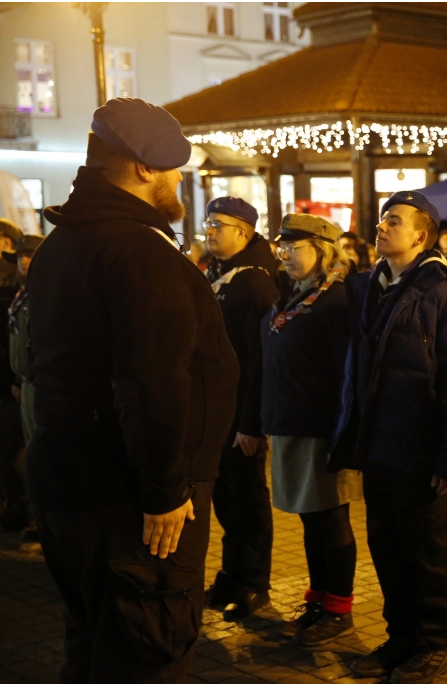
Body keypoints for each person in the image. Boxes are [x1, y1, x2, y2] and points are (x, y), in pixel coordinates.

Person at [26, 98, 239, 681]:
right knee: (147, 653)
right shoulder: (140, 250)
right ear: (145, 167)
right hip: (131, 503)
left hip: (71, 481)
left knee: (92, 645)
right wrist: (165, 490)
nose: (179, 181)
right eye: (173, 169)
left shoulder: (61, 245)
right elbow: (152, 380)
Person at [331, 191, 447, 683]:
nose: (381, 227)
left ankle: (434, 645)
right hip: (379, 447)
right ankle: (401, 639)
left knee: (428, 553)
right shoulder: (370, 288)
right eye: (382, 219)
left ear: (421, 235)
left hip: (422, 451)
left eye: (394, 221)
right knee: (387, 549)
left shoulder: (445, 296)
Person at [261, 213, 361, 646]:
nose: (284, 253)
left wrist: (341, 436)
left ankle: (339, 609)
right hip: (289, 422)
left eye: (293, 246)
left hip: (319, 429)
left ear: (321, 251)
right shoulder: (292, 296)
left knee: (330, 517)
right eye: (281, 246)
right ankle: (319, 600)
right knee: (310, 518)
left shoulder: (335, 302)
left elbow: (346, 377)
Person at [199, 197, 280, 622]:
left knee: (248, 500)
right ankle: (231, 576)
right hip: (217, 410)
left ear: (243, 232)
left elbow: (259, 359)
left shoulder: (254, 282)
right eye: (208, 223)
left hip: (240, 414)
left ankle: (254, 583)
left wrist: (251, 423)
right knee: (226, 500)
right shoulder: (219, 273)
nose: (209, 230)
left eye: (218, 224)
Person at [7, 234, 42, 541]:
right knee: (30, 450)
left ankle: (42, 519)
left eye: (29, 256)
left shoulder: (44, 292)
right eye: (20, 257)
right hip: (26, 383)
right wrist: (18, 379)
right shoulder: (22, 293)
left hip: (40, 383)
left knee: (40, 450)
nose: (24, 261)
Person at [0, 218, 26, 535]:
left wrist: (17, 378)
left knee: (10, 447)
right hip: (9, 374)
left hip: (11, 376)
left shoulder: (14, 279)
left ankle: (20, 506)